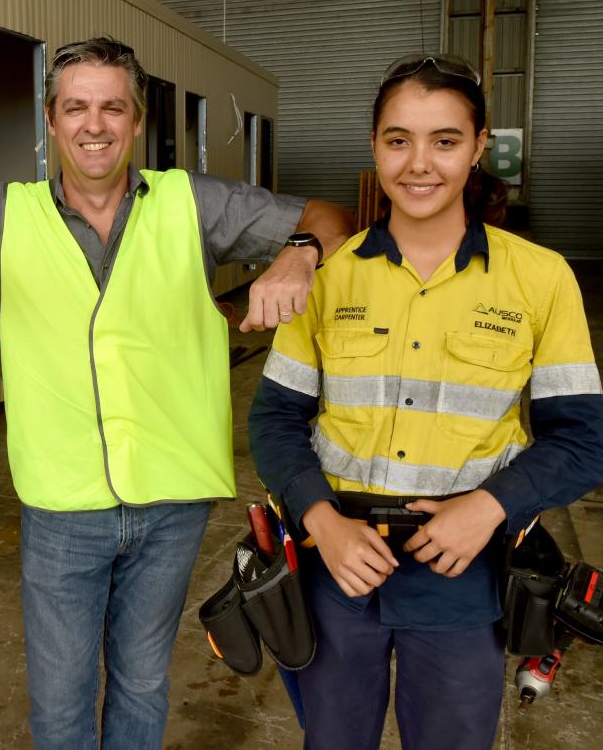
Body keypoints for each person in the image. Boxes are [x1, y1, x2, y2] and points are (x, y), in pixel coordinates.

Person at [0, 37, 354, 749]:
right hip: (62, 504)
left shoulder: (193, 203)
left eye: (114, 107)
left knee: (143, 682)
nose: (95, 124)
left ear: (137, 121)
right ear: (50, 121)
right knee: (61, 696)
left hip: (174, 498)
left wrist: (300, 255)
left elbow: (328, 217)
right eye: (76, 106)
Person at [248, 53, 603, 750]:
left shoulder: (540, 279)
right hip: (338, 564)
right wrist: (322, 518)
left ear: (478, 148)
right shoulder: (328, 276)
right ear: (374, 147)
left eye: (444, 140)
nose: (419, 164)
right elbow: (275, 419)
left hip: (463, 575)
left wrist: (489, 508)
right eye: (398, 139)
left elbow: (583, 437)